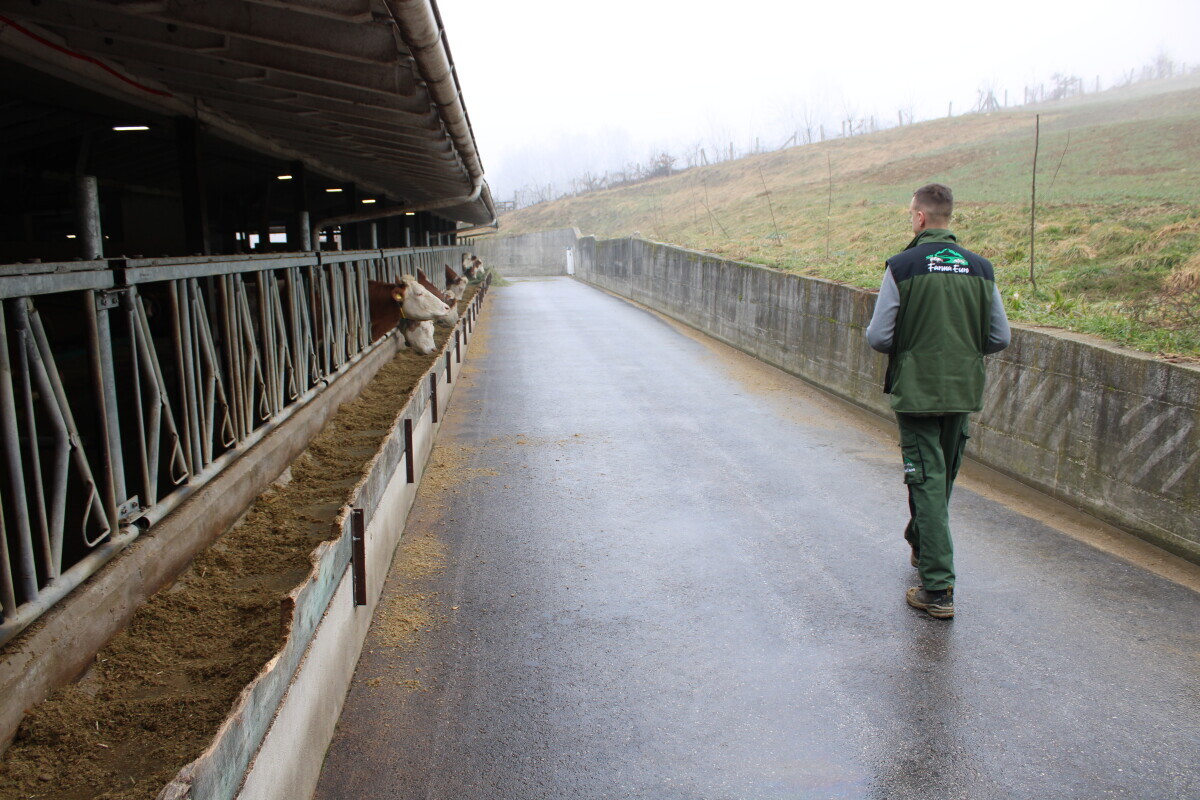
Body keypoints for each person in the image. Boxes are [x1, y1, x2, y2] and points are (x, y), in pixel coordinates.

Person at [866, 183, 1011, 619]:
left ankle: (938, 588)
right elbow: (999, 336)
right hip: (962, 390)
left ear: (920, 217)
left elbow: (878, 336)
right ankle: (921, 537)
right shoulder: (981, 269)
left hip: (917, 392)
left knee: (927, 480)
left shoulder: (903, 266)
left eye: (911, 213)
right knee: (939, 476)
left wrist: (914, 349)